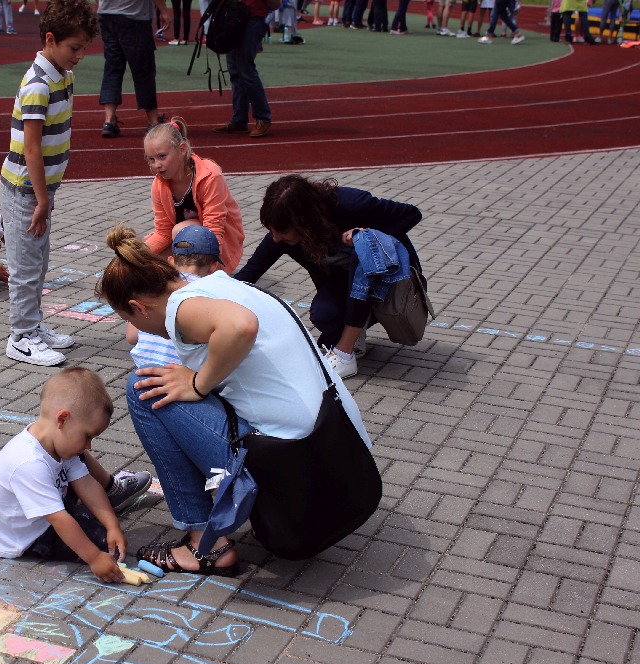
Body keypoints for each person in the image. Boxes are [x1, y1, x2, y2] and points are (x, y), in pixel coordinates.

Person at [95, 227, 371, 575]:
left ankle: (204, 544)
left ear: (138, 307)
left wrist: (198, 383)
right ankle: (245, 509)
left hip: (298, 458)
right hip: (338, 445)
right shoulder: (218, 284)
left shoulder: (180, 308)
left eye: (130, 320)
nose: (138, 331)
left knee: (143, 388)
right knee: (173, 386)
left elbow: (240, 326)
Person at [233, 174, 423, 379]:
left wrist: (367, 233)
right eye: (270, 229)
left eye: (282, 231)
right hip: (349, 284)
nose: (276, 237)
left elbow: (412, 214)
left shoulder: (352, 204)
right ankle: (352, 330)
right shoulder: (284, 234)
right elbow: (250, 273)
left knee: (363, 248)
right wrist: (208, 292)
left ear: (304, 222)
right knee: (323, 314)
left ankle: (344, 352)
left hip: (392, 282)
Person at [0, 0, 99, 366]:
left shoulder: (63, 77)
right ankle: (20, 336)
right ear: (51, 39)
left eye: (85, 48)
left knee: (37, 264)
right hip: (25, 190)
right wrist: (41, 199)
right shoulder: (38, 84)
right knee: (25, 268)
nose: (80, 56)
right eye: (75, 48)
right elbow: (31, 147)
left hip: (42, 191)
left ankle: (34, 326)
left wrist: (47, 195)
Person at [0, 368, 141, 580]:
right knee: (100, 542)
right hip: (28, 538)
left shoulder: (57, 442)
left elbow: (87, 484)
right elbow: (59, 521)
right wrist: (94, 558)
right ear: (63, 419)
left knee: (95, 512)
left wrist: (112, 524)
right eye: (87, 436)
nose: (89, 445)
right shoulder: (29, 462)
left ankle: (95, 512)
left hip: (42, 517)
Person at [143, 117, 245, 272]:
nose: (156, 165)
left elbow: (214, 228)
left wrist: (213, 270)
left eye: (162, 156)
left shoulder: (210, 175)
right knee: (149, 264)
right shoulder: (159, 184)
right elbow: (163, 232)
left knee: (180, 230)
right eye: (151, 159)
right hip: (186, 242)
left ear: (182, 149)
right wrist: (135, 254)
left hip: (216, 242)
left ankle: (201, 274)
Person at [127, 223, 224, 366]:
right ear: (213, 267)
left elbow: (131, 337)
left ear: (171, 261)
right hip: (181, 376)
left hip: (143, 372)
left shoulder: (152, 286)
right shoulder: (214, 294)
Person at [212, 0, 281, 138]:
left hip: (252, 18)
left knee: (245, 69)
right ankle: (240, 120)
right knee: (235, 71)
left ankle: (262, 117)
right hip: (235, 16)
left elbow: (275, 4)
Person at [97, 0, 164, 138]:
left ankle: (109, 121)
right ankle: (153, 121)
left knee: (112, 68)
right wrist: (163, 11)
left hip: (106, 13)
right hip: (133, 16)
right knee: (144, 70)